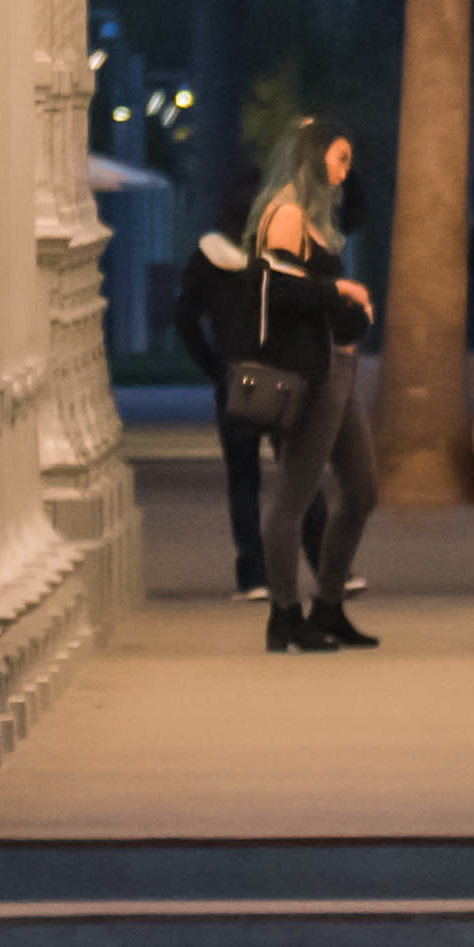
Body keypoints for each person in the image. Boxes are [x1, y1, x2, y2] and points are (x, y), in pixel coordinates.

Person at [249, 173, 384, 646]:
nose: (345, 171)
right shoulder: (285, 215)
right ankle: (284, 613)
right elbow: (279, 292)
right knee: (295, 495)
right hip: (311, 375)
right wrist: (341, 292)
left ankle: (328, 605)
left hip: (339, 367)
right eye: (338, 156)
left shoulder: (314, 218)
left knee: (362, 489)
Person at [181, 217, 281, 597]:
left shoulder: (205, 260)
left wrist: (213, 366)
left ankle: (253, 574)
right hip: (280, 375)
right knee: (297, 473)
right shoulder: (274, 256)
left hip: (235, 377)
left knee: (243, 479)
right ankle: (327, 566)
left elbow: (185, 319)